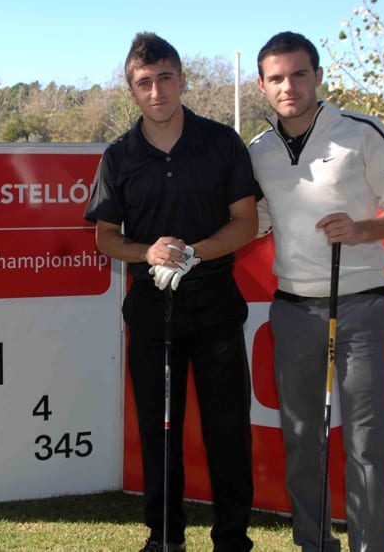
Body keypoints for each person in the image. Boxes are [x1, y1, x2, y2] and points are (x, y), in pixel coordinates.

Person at [84, 32, 258, 552]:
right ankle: (165, 538)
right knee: (160, 431)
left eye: (164, 79)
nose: (156, 91)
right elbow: (105, 237)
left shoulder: (221, 142)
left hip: (216, 309)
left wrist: (192, 253)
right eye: (144, 82)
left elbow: (245, 222)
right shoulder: (119, 156)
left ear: (182, 81)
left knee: (227, 430)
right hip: (150, 313)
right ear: (131, 90)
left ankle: (232, 540)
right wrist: (149, 253)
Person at [249, 32, 384, 552]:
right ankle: (315, 544)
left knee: (368, 443)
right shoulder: (257, 151)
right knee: (303, 440)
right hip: (293, 309)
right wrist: (191, 241)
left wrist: (363, 229)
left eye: (299, 74)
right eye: (277, 78)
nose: (289, 86)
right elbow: (256, 219)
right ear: (262, 86)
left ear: (317, 76)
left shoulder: (361, 131)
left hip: (361, 305)